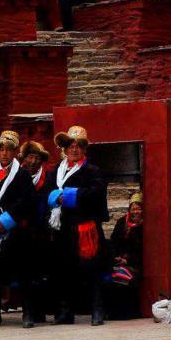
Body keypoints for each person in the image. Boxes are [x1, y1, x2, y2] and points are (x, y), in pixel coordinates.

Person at [46, 126, 109, 326]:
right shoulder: (56, 170)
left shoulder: (92, 170)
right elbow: (47, 193)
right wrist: (53, 198)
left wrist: (69, 196)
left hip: (85, 227)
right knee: (64, 270)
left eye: (78, 146)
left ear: (84, 149)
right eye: (70, 146)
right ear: (64, 149)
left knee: (91, 270)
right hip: (63, 228)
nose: (74, 150)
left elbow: (96, 193)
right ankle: (65, 312)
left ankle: (97, 311)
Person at [0, 131, 37, 328]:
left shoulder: (23, 174)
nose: (4, 153)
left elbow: (27, 202)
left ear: (14, 152)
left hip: (16, 230)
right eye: (1, 150)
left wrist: (7, 220)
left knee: (23, 271)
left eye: (8, 150)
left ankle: (28, 313)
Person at [19, 140, 52, 323]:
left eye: (37, 157)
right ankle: (28, 311)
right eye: (30, 156)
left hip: (43, 233)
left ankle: (41, 310)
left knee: (42, 273)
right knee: (26, 273)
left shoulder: (48, 178)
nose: (33, 161)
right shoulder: (18, 177)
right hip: (23, 233)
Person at [107, 192, 144, 319]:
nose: (136, 212)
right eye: (133, 209)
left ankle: (125, 313)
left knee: (121, 277)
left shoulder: (145, 226)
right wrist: (115, 256)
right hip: (119, 260)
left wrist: (127, 260)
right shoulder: (122, 222)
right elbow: (113, 242)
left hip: (135, 263)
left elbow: (143, 249)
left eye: (138, 209)